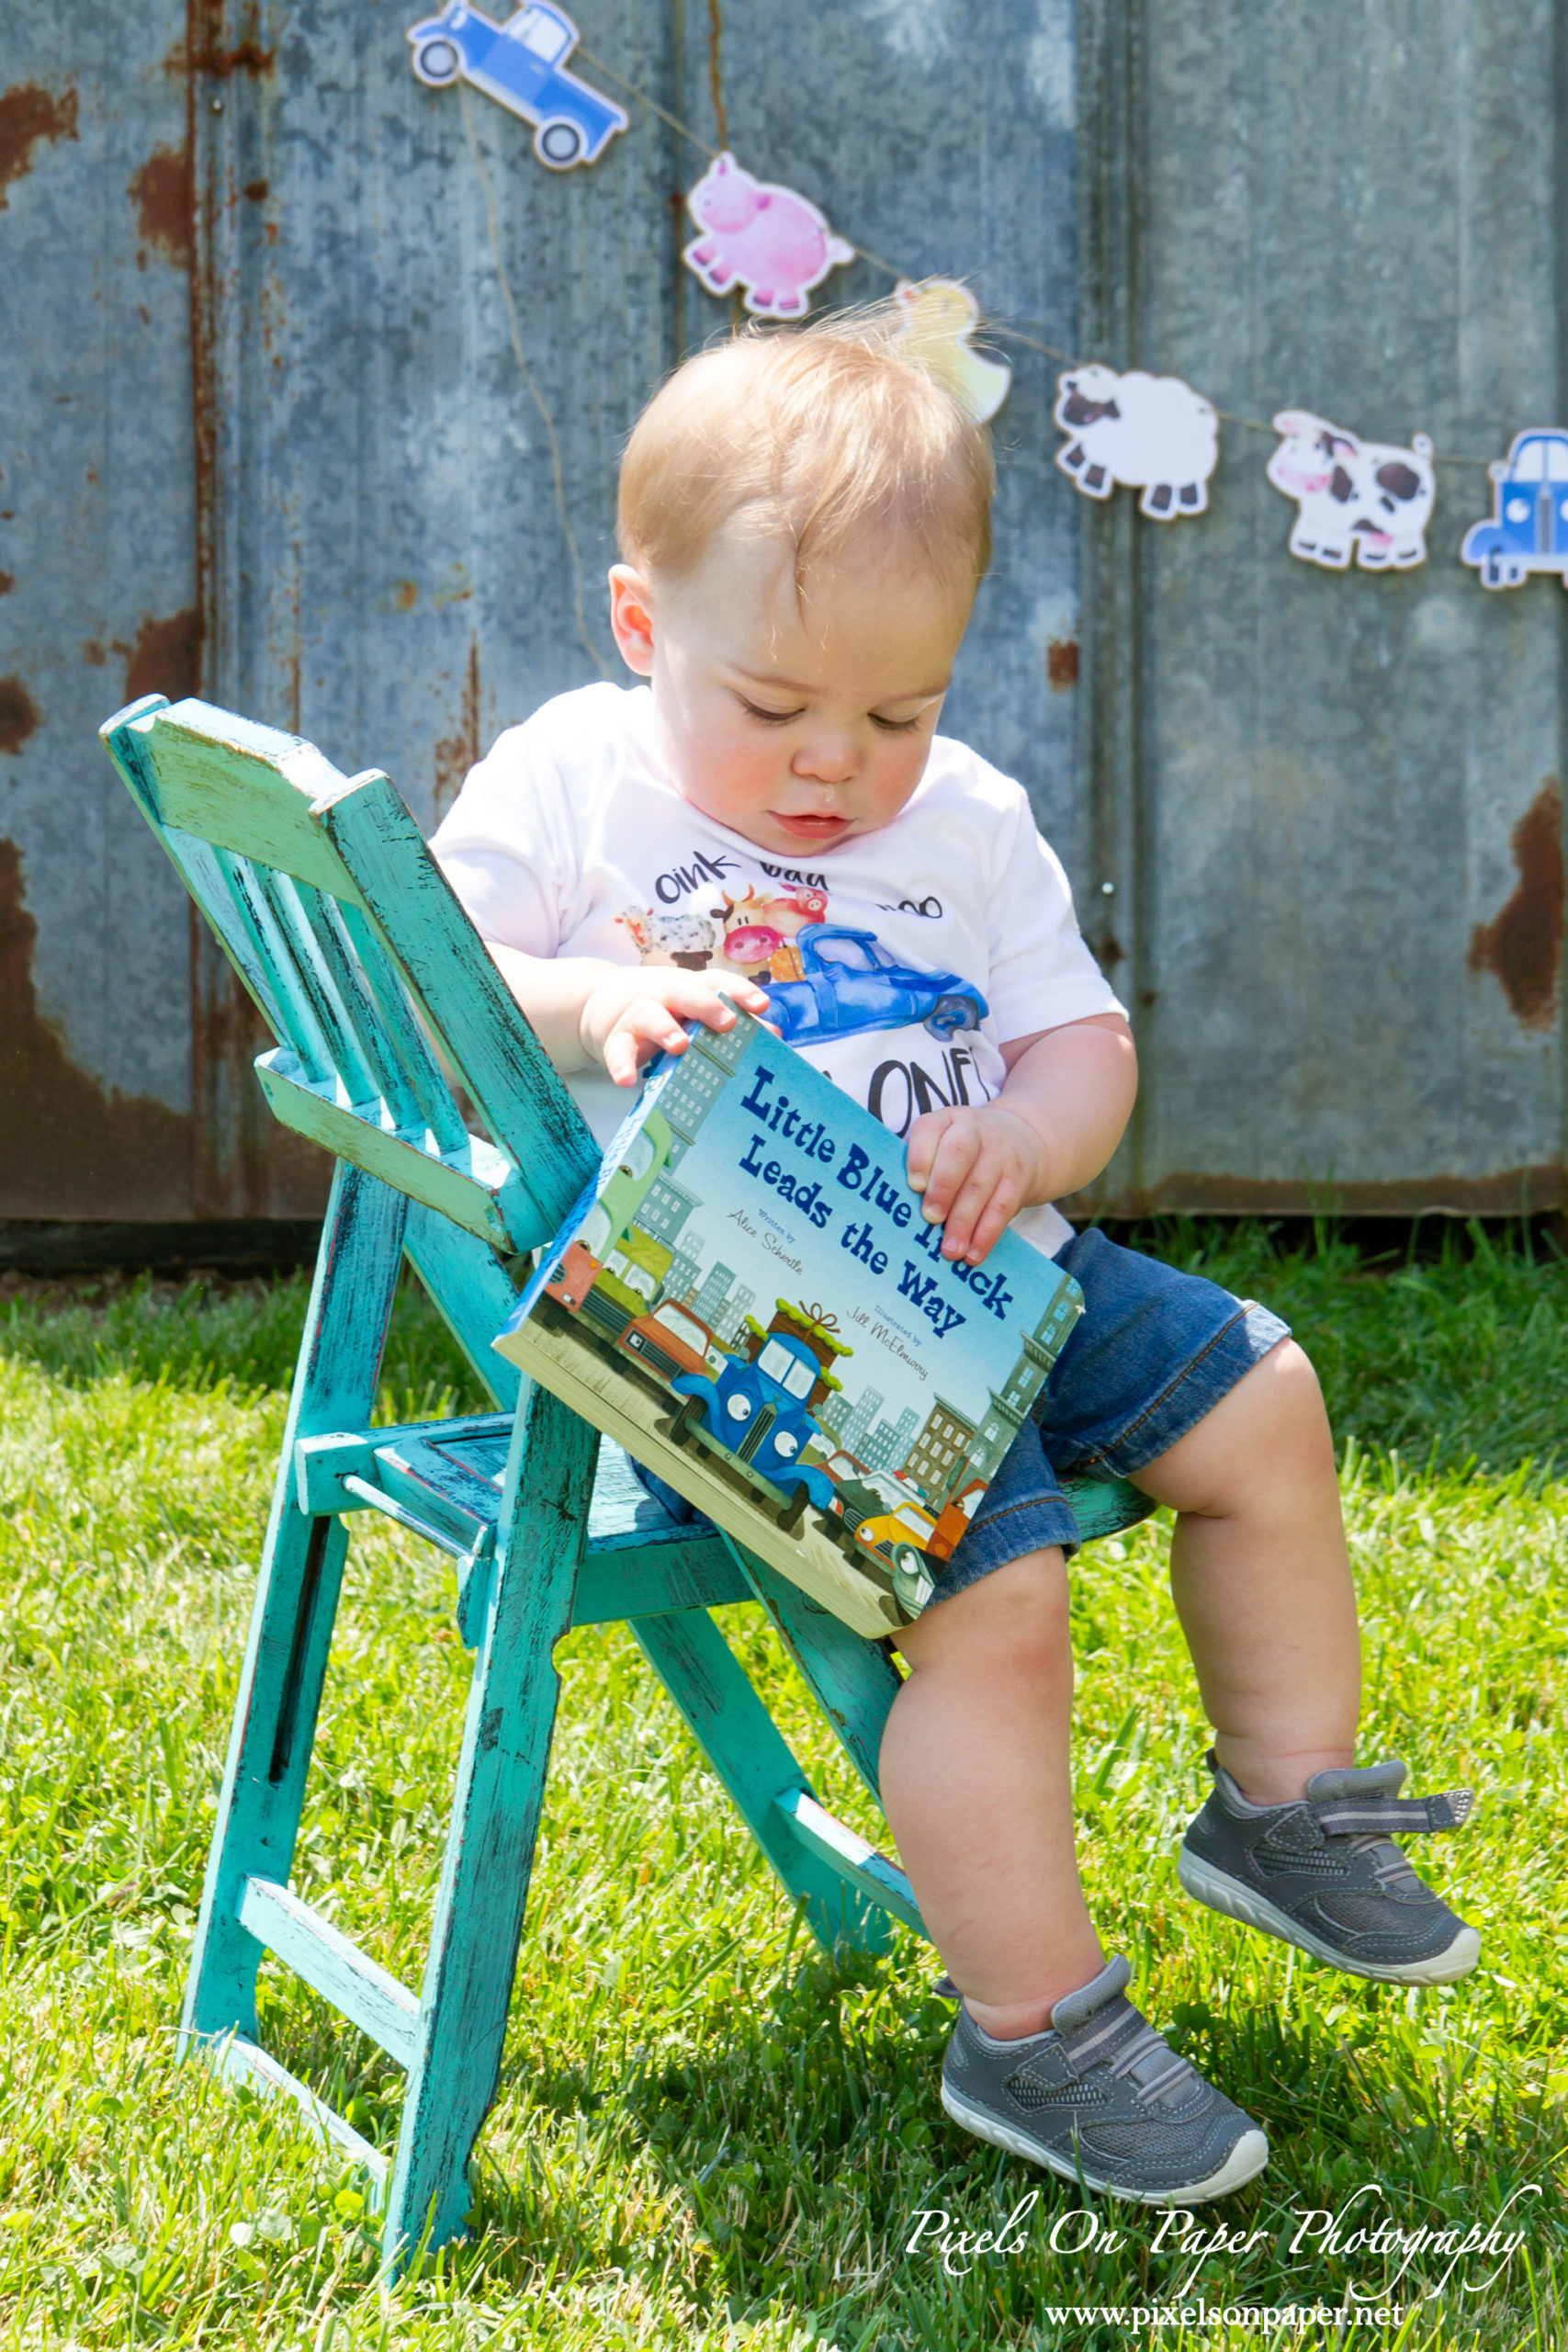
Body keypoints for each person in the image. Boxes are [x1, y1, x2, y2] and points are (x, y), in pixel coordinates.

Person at [430, 306, 1478, 2206]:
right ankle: (1035, 2024)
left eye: (895, 711)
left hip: (990, 1251)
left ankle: (1280, 1799)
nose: (837, 762)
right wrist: (595, 1000)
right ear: (640, 624)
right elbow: (444, 973)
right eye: (774, 709)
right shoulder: (578, 776)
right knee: (995, 1599)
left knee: (1257, 1398)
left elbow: (1084, 1044)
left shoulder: (969, 824)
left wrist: (1026, 1131)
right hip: (756, 1315)